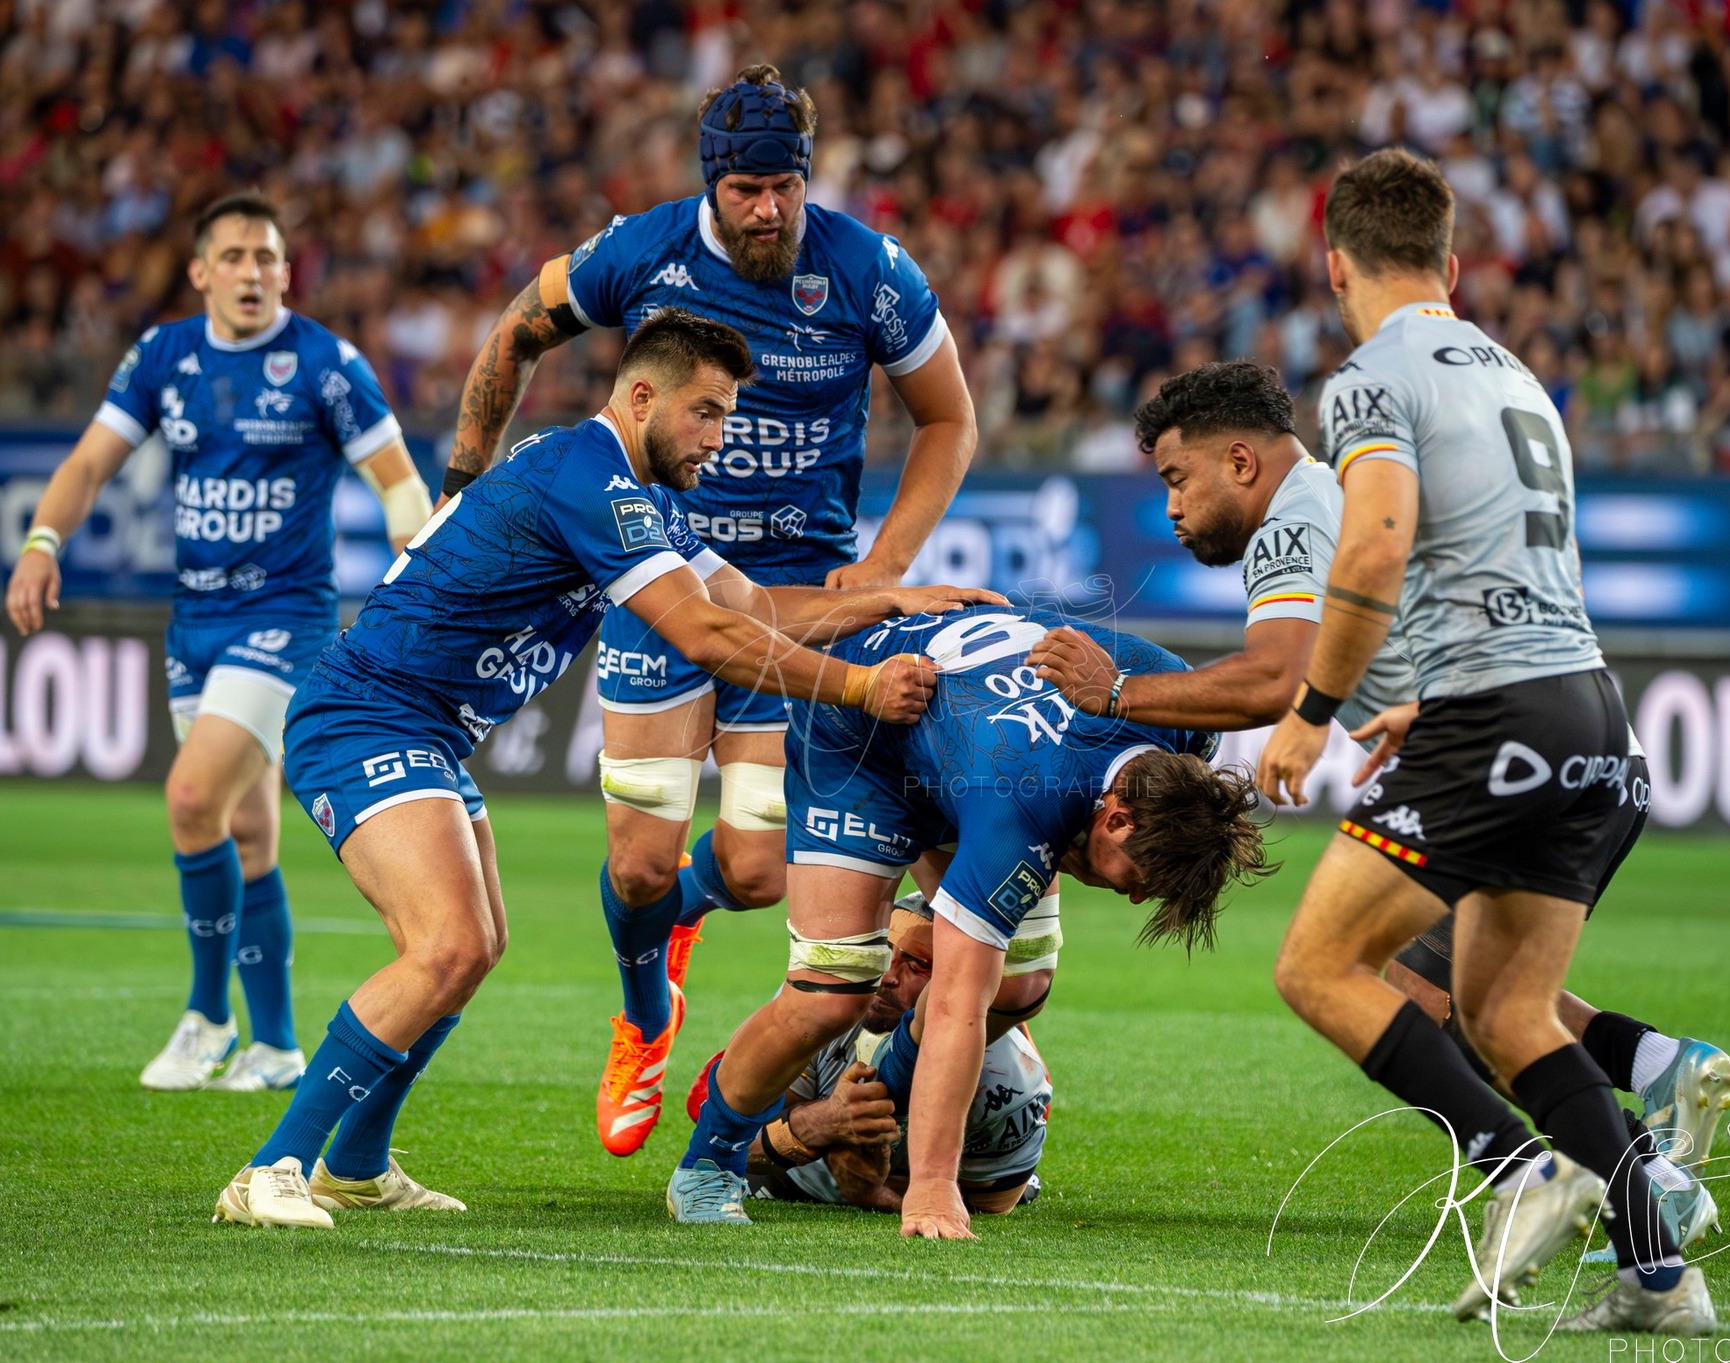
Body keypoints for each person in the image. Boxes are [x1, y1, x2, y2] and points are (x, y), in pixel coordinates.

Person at [210, 308, 994, 1229]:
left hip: (423, 730)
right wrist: (862, 687)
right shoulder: (591, 478)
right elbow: (705, 636)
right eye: (705, 412)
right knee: (448, 944)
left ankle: (355, 1162)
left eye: (730, 417)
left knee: (473, 950)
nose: (719, 438)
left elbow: (745, 604)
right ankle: (270, 1169)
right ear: (642, 395)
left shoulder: (635, 496)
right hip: (365, 717)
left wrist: (884, 597)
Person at [1029, 359, 1730, 1308]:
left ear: (1240, 459)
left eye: (1176, 478)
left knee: (1349, 973)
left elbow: (1274, 675)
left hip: (1504, 759)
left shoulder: (1292, 520)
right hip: (1590, 748)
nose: (1172, 507)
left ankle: (1564, 1179)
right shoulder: (1346, 496)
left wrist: (1116, 693)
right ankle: (1650, 1197)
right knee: (1483, 1004)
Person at [443, 64, 977, 1159]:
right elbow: (516, 329)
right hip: (659, 579)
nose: (769, 208)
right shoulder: (639, 252)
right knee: (634, 862)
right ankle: (643, 1018)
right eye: (746, 189)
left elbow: (949, 419)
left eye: (783, 184)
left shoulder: (866, 270)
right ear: (711, 185)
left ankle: (689, 912)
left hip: (799, 596)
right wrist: (463, 470)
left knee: (750, 870)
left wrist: (879, 563)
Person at [1252, 149, 1715, 1334]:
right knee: (1507, 1010)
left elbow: (1372, 549)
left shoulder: (1367, 376)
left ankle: (1517, 1170)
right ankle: (1659, 1276)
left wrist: (1312, 715)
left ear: (1334, 264)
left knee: (1315, 965)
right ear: (1450, 265)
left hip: (1498, 717)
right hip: (1590, 715)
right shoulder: (1512, 371)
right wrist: (1434, 697)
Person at [4, 190, 433, 1094]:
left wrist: (414, 544)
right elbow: (88, 463)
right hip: (194, 620)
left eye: (267, 257)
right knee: (244, 831)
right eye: (233, 256)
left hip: (287, 618)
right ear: (200, 272)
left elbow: (396, 477)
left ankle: (207, 1017)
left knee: (192, 795)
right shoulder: (164, 357)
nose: (252, 272)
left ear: (287, 271)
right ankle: (275, 1045)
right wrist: (43, 542)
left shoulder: (324, 362)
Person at [665, 603, 1273, 1233]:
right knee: (833, 988)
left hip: (968, 748)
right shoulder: (1023, 812)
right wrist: (930, 1186)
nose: (1135, 897)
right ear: (1117, 819)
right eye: (1138, 879)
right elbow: (955, 1003)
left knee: (1019, 982)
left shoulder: (1179, 728)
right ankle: (708, 1165)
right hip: (864, 735)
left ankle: (871, 1103)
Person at [688, 894, 1050, 1216]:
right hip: (795, 1177)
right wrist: (821, 1121)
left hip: (936, 1173)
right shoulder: (825, 1004)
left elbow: (988, 1203)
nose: (885, 976)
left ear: (960, 980)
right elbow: (731, 1140)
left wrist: (871, 1193)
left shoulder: (1009, 1081)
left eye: (917, 965)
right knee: (717, 1101)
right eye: (883, 951)